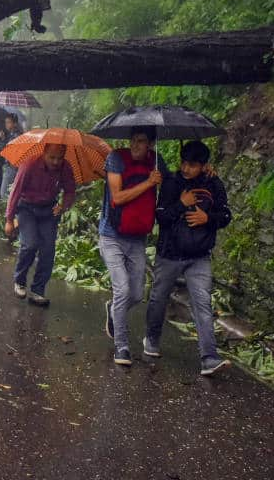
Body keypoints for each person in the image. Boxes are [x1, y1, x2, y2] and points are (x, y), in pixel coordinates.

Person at [145, 140, 233, 375]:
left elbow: (225, 215)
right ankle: (151, 339)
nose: (186, 168)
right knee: (158, 299)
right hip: (170, 253)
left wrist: (208, 218)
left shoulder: (214, 184)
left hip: (199, 256)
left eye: (192, 165)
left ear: (204, 166)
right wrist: (181, 205)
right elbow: (160, 216)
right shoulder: (172, 183)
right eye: (184, 162)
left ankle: (209, 358)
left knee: (203, 304)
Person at [98, 126, 166, 366]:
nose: (136, 146)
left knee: (137, 294)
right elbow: (117, 198)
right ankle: (122, 347)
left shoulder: (157, 162)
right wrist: (149, 182)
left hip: (138, 237)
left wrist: (206, 174)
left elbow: (175, 185)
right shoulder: (116, 158)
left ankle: (113, 309)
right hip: (111, 235)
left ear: (151, 144)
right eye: (133, 140)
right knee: (123, 290)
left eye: (142, 142)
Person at [4, 144, 76, 306]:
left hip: (49, 211)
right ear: (44, 153)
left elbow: (70, 190)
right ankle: (20, 280)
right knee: (29, 244)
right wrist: (9, 219)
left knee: (48, 250)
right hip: (27, 208)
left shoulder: (65, 167)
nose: (56, 161)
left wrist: (63, 205)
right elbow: (15, 191)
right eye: (52, 157)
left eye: (60, 158)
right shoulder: (30, 164)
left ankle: (38, 290)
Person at [0, 114, 23, 196]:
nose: (6, 124)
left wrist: (3, 140)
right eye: (6, 122)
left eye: (8, 122)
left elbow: (10, 151)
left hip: (11, 167)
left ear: (15, 124)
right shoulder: (11, 134)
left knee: (4, 194)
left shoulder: (16, 136)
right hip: (10, 167)